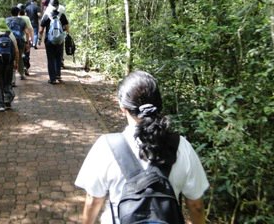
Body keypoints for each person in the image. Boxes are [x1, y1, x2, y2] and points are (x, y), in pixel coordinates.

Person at [75, 71, 209, 224]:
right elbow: (196, 205)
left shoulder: (106, 146)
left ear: (122, 106)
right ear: (159, 105)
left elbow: (93, 200)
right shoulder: (181, 146)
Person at [39, 0, 69, 84]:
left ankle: (52, 79)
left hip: (49, 40)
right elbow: (66, 28)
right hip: (59, 40)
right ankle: (58, 75)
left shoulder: (46, 15)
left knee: (50, 59)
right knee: (58, 57)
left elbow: (41, 30)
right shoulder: (62, 15)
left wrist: (39, 39)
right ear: (58, 6)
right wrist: (63, 34)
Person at [6, 6, 30, 83]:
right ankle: (22, 74)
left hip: (9, 41)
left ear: (11, 12)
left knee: (10, 59)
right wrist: (27, 43)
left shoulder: (7, 20)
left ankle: (12, 79)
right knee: (19, 57)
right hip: (20, 41)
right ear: (18, 13)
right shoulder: (22, 21)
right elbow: (26, 32)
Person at [17, 4, 34, 76]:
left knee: (19, 55)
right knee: (26, 54)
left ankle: (20, 70)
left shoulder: (16, 18)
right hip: (25, 38)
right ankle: (25, 67)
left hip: (17, 39)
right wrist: (31, 39)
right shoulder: (26, 18)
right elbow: (30, 29)